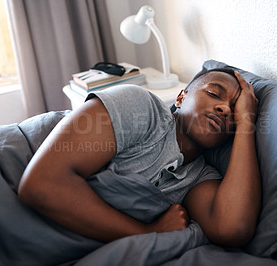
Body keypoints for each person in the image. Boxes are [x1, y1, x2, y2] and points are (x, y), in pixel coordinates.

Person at [18, 68, 261, 247]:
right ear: (181, 97)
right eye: (214, 93)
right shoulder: (142, 109)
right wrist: (147, 232)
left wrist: (246, 124)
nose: (225, 109)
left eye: (235, 110)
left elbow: (234, 229)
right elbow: (41, 185)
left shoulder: (199, 178)